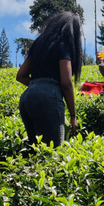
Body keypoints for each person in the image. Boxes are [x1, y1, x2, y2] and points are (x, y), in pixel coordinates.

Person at [16, 11, 82, 147]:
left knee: (35, 150)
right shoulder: (64, 44)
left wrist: (38, 86)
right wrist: (73, 115)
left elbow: (20, 76)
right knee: (53, 153)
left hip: (27, 98)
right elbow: (66, 83)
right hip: (49, 98)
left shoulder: (40, 42)